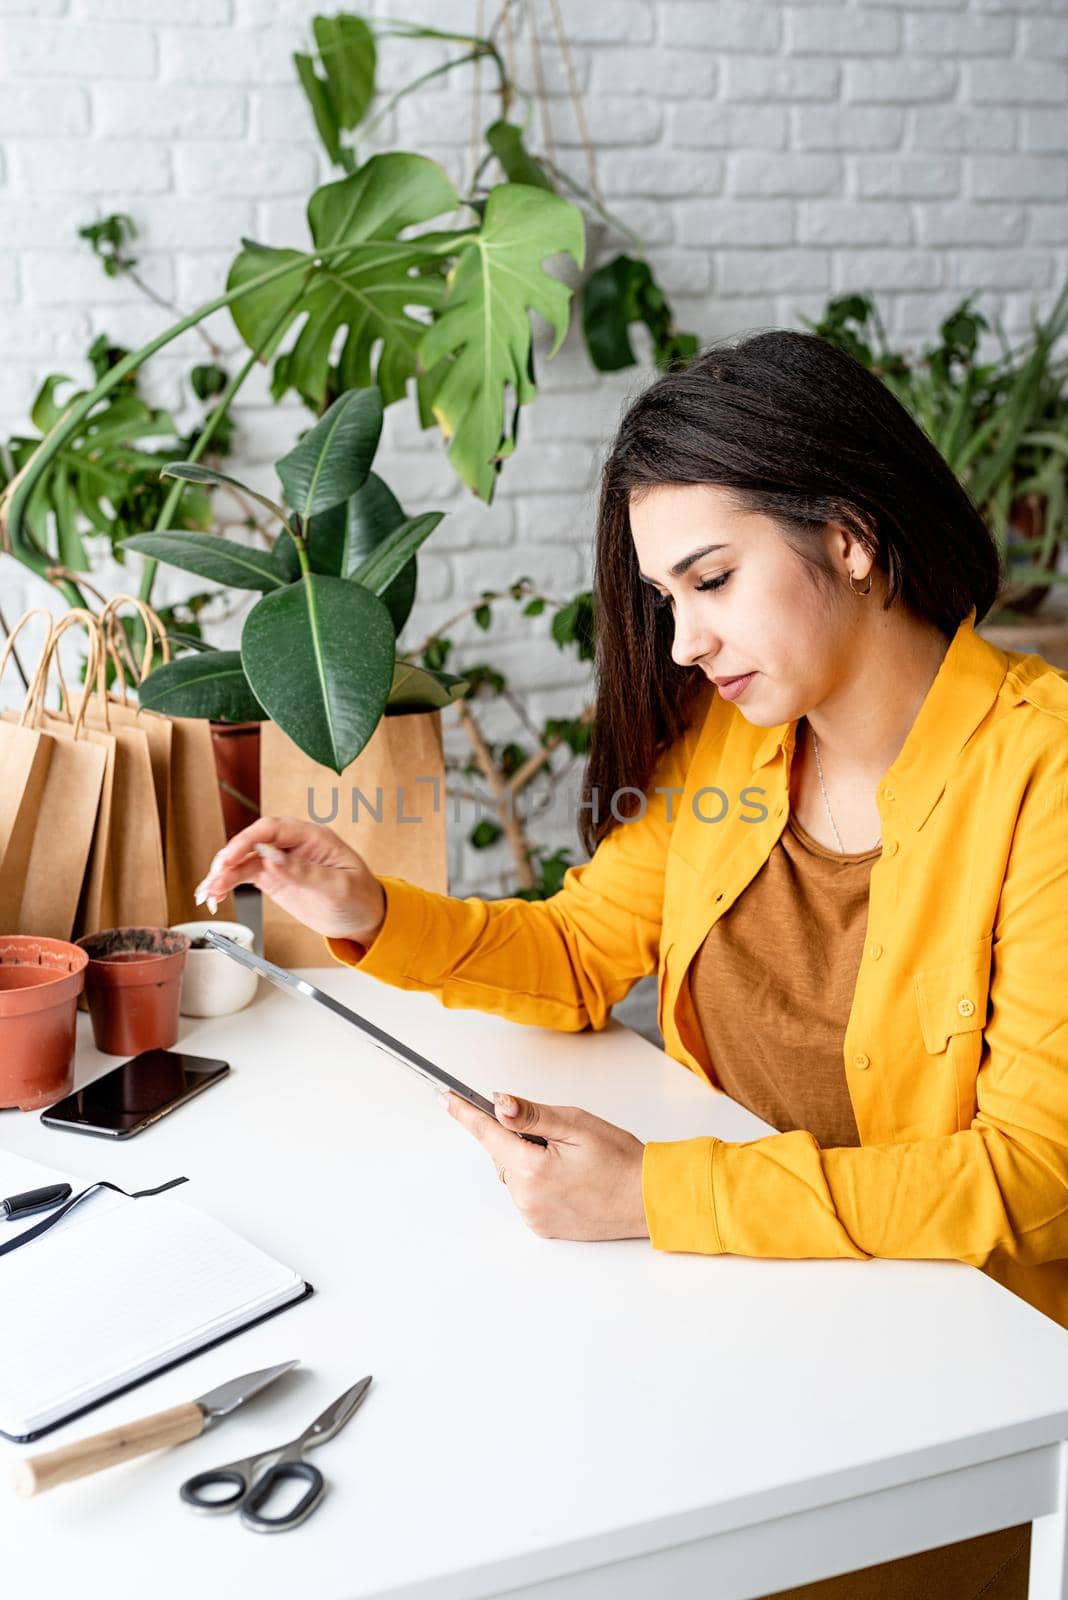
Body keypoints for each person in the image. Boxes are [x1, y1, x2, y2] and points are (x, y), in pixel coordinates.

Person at [195, 330, 1066, 1598]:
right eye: (668, 599)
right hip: (742, 1324)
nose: (683, 644)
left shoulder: (1043, 779)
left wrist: (658, 1195)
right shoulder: (742, 745)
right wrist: (370, 904)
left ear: (852, 537)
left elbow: (1030, 1181)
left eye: (711, 579)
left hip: (948, 1407)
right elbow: (578, 948)